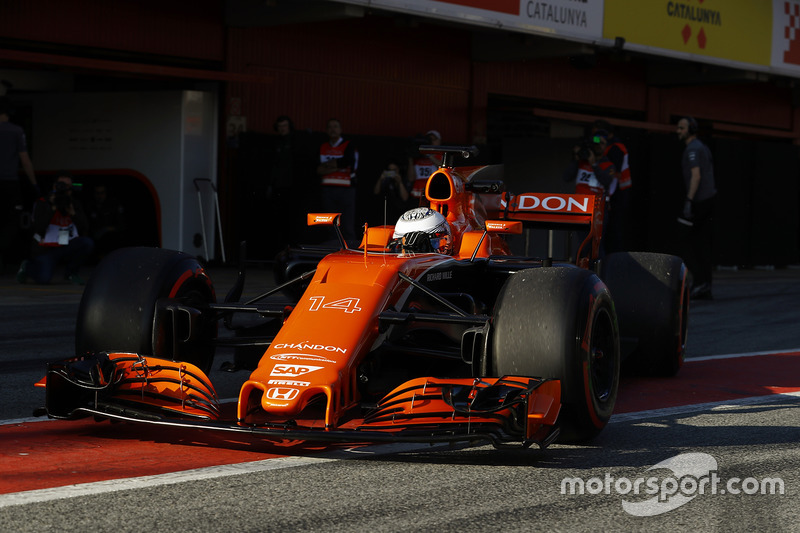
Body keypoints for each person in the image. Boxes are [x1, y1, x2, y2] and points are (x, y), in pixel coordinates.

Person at [18, 172, 94, 285]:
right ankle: (27, 267)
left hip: (66, 245)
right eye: (62, 185)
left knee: (87, 243)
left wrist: (73, 213)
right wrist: (52, 208)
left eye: (69, 186)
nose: (66, 189)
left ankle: (71, 273)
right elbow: (38, 228)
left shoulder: (73, 203)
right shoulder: (43, 202)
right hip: (46, 248)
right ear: (55, 186)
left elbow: (85, 227)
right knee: (43, 279)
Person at [677, 116, 717, 300]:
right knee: (702, 243)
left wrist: (689, 200)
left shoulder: (693, 149)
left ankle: (700, 282)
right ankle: (704, 285)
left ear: (691, 130)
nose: (678, 131)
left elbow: (696, 175)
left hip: (699, 202)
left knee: (683, 240)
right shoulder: (702, 147)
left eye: (682, 128)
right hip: (708, 200)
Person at [0, 96, 38, 271]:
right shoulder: (16, 131)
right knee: (12, 222)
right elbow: (25, 160)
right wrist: (34, 184)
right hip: (9, 182)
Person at [317, 118, 359, 243]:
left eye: (335, 126)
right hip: (327, 190)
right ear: (326, 130)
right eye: (330, 127)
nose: (333, 129)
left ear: (340, 130)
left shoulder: (349, 145)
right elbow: (318, 169)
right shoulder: (323, 147)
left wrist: (328, 165)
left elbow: (349, 163)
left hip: (346, 190)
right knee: (331, 225)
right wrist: (337, 165)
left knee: (347, 225)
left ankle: (350, 254)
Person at [593, 119, 632, 252]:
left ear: (608, 135)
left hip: (617, 195)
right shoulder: (610, 147)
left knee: (613, 230)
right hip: (614, 193)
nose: (597, 140)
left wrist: (608, 197)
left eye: (601, 135)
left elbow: (615, 175)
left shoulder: (615, 148)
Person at [84, 183, 127, 258]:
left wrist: (106, 229)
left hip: (112, 239)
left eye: (102, 193)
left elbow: (122, 226)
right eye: (97, 193)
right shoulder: (89, 206)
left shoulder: (113, 205)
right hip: (93, 239)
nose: (99, 196)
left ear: (106, 193)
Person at [373, 159, 411, 225]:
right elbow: (376, 192)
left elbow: (405, 198)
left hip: (402, 213)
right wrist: (380, 179)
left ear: (399, 169)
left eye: (394, 170)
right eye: (390, 170)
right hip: (388, 212)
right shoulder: (386, 180)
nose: (392, 173)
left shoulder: (404, 179)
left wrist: (400, 183)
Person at [407, 130, 443, 200]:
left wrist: (429, 154)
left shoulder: (441, 156)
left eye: (434, 139)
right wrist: (410, 158)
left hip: (433, 192)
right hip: (417, 194)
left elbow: (443, 167)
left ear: (440, 141)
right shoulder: (417, 157)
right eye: (429, 139)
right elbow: (410, 178)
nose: (431, 142)